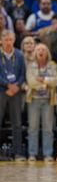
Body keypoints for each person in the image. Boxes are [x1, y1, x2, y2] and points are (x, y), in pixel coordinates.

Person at [26, 43, 57, 162]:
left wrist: (43, 80)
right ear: (35, 52)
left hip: (48, 100)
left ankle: (48, 154)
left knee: (48, 128)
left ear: (47, 53)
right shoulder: (31, 65)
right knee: (33, 128)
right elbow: (30, 82)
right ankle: (32, 154)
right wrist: (44, 85)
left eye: (43, 49)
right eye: (39, 49)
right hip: (33, 99)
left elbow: (56, 81)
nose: (41, 51)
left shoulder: (52, 65)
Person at [0, 30, 26, 161]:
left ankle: (18, 153)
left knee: (17, 123)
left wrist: (17, 85)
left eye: (11, 39)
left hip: (16, 92)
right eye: (6, 40)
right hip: (1, 91)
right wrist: (7, 85)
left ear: (14, 40)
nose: (8, 42)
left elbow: (23, 73)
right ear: (1, 41)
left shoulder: (20, 55)